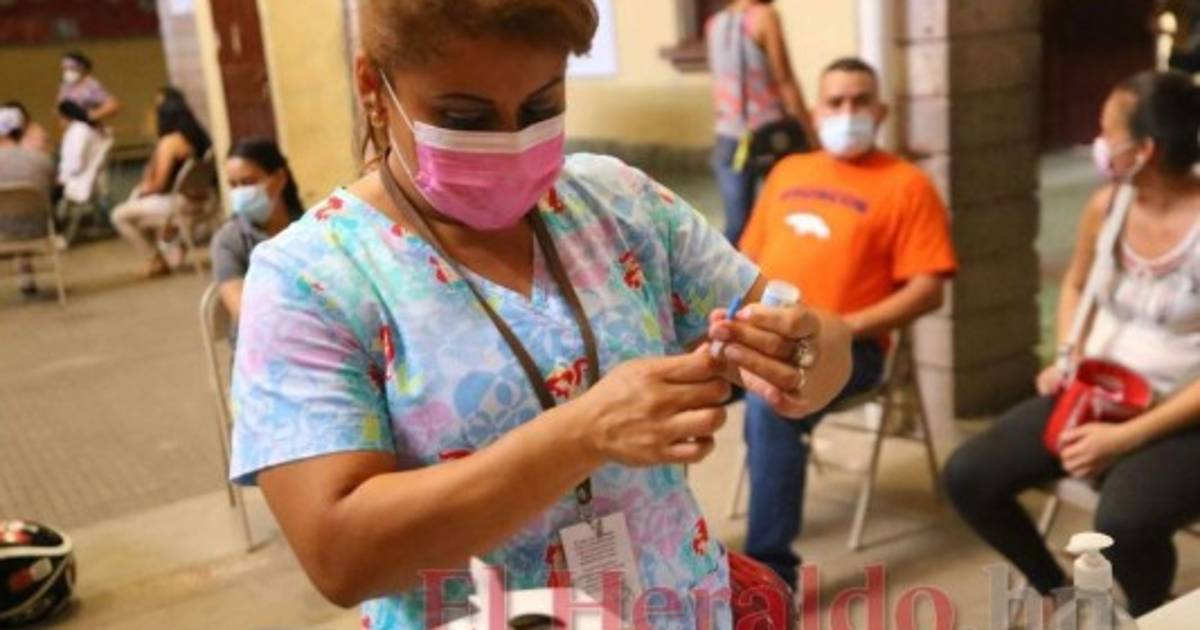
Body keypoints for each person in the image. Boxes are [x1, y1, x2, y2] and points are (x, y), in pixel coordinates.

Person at [229, 1, 853, 628]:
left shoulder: (619, 204)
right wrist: (580, 436)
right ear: (373, 86)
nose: (510, 140)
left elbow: (827, 349)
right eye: (464, 118)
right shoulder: (312, 278)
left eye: (540, 108)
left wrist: (801, 351)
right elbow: (341, 557)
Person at [943, 70, 1200, 618]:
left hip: (1182, 414)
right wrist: (1067, 354)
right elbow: (1077, 285)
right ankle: (1063, 599)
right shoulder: (1107, 207)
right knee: (969, 475)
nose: (1098, 143)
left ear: (1145, 151)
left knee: (1123, 524)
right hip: (1101, 391)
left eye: (1108, 133)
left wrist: (1125, 437)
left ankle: (1152, 613)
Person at [736, 56, 957, 589]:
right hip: (764, 331)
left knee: (771, 403)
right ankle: (669, 543)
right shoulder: (789, 172)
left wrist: (842, 328)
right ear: (817, 111)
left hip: (850, 347)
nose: (848, 111)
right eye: (836, 101)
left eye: (860, 101)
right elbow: (744, 262)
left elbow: (929, 289)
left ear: (880, 111)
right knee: (673, 379)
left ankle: (769, 578)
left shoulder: (907, 185)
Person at [707, 0, 818, 245]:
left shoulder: (715, 23)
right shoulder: (765, 16)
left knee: (737, 224)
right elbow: (784, 78)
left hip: (728, 135)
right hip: (770, 135)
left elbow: (720, 83)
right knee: (788, 211)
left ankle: (725, 268)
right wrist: (810, 133)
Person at [110, 86, 211, 278]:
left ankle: (155, 260)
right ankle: (166, 252)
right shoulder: (199, 138)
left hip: (177, 204)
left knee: (119, 215)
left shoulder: (169, 143)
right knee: (137, 213)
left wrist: (141, 189)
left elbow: (159, 185)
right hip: (200, 201)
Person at [210, 137, 303, 323]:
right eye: (233, 185)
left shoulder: (308, 229)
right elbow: (242, 309)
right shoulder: (230, 240)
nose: (240, 192)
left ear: (279, 179)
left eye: (248, 182)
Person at [0, 106, 54, 297]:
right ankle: (26, 278)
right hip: (38, 228)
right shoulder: (42, 159)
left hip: (3, 231)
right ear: (22, 131)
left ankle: (25, 278)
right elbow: (51, 188)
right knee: (19, 213)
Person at [55, 100, 106, 207]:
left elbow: (74, 164)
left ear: (65, 117)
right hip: (87, 181)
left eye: (59, 118)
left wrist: (60, 179)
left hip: (76, 183)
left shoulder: (77, 131)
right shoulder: (87, 130)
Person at [57, 51, 120, 124]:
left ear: (82, 68)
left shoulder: (90, 85)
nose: (67, 72)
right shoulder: (65, 87)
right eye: (65, 69)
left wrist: (88, 116)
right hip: (72, 127)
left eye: (71, 68)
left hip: (88, 127)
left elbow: (113, 105)